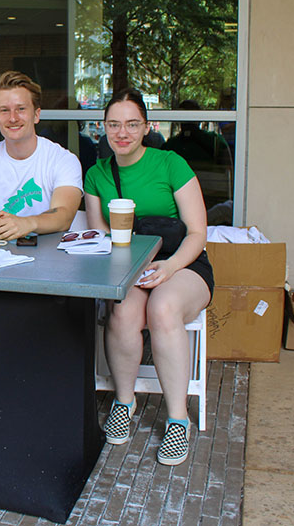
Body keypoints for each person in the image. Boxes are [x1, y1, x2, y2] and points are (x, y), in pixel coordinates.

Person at [84, 89, 214, 466]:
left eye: (131, 124)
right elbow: (99, 235)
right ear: (103, 127)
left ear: (145, 127)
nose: (122, 133)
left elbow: (197, 233)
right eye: (114, 124)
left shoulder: (170, 163)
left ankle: (178, 419)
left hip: (183, 264)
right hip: (132, 267)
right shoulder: (97, 174)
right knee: (123, 312)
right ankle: (124, 401)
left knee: (163, 307)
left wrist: (169, 268)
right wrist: (128, 271)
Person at [0, 71, 82, 240]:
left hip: (53, 256)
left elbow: (64, 215)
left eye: (21, 109)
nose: (13, 118)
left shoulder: (63, 160)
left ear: (36, 115)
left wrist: (27, 223)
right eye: (4, 110)